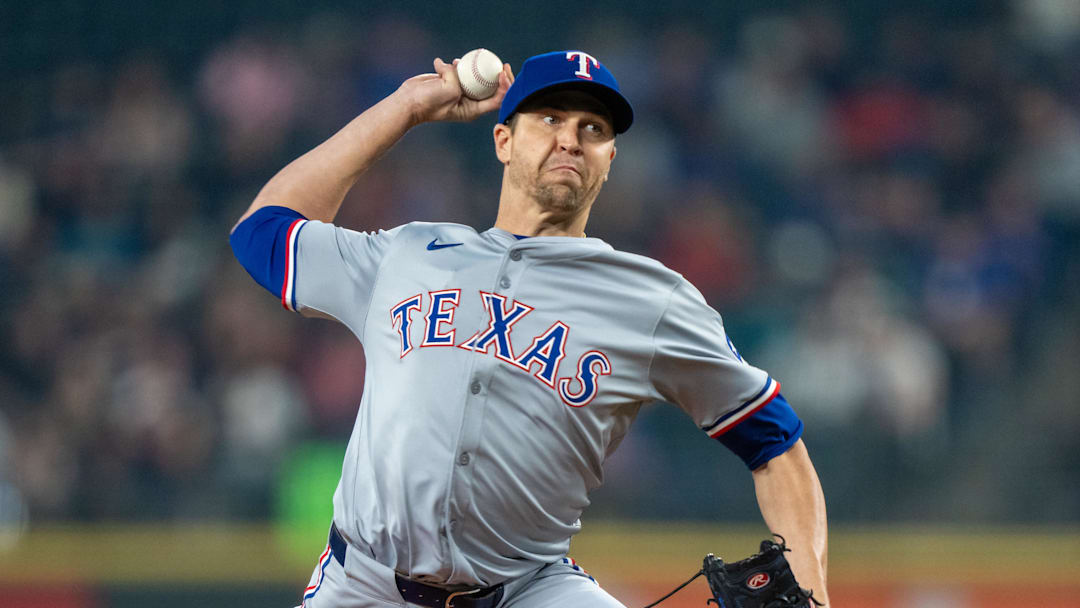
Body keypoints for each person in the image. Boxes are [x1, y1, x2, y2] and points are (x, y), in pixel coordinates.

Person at [230, 50, 829, 608]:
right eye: (549, 118)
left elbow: (775, 443)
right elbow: (261, 232)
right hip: (363, 583)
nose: (571, 138)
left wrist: (813, 593)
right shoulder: (406, 254)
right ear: (504, 140)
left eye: (594, 129)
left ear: (609, 159)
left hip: (529, 589)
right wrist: (406, 109)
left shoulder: (653, 299)